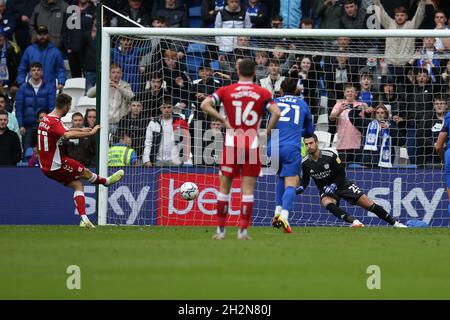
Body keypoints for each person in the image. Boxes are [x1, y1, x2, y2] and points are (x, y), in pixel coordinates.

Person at [200, 58, 281, 240]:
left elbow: (204, 104)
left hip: (231, 144)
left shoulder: (226, 90)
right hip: (251, 144)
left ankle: (220, 231)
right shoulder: (262, 91)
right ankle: (242, 231)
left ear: (238, 71)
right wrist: (266, 132)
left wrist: (223, 120)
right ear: (254, 72)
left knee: (224, 189)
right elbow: (276, 112)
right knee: (248, 190)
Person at [37, 93, 125, 229]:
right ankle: (106, 182)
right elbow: (67, 134)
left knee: (78, 185)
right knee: (85, 172)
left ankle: (84, 219)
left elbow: (63, 130)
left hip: (46, 166)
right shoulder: (55, 121)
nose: (69, 108)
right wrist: (90, 133)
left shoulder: (46, 119)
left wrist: (81, 129)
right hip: (57, 164)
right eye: (70, 106)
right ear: (66, 107)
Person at [296, 134, 408, 228]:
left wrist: (334, 185)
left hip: (341, 184)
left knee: (369, 204)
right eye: (306, 144)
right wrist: (302, 187)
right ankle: (354, 222)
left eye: (311, 143)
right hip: (326, 189)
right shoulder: (305, 163)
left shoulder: (330, 156)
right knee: (326, 202)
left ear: (317, 143)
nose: (309, 146)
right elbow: (306, 178)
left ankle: (395, 223)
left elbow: (341, 173)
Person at [268, 78, 314, 233]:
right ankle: (285, 216)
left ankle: (277, 212)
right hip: (290, 147)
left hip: (272, 146)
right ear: (296, 90)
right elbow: (309, 132)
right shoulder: (302, 104)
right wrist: (297, 130)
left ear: (281, 89)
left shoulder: (274, 101)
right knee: (292, 181)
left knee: (281, 176)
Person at [15, 62, 55, 151]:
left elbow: (52, 108)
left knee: (45, 151)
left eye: (38, 70)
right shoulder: (23, 88)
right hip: (27, 126)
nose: (36, 72)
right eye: (33, 70)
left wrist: (51, 125)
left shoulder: (49, 87)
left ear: (42, 72)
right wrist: (21, 125)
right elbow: (19, 108)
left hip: (44, 126)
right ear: (30, 72)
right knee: (27, 152)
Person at [142, 101, 190, 167]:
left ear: (172, 108)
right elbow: (148, 142)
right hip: (157, 160)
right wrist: (146, 159)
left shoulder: (180, 121)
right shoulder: (153, 122)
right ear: (160, 108)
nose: (166, 110)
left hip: (176, 161)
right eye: (164, 107)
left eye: (169, 107)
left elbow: (186, 141)